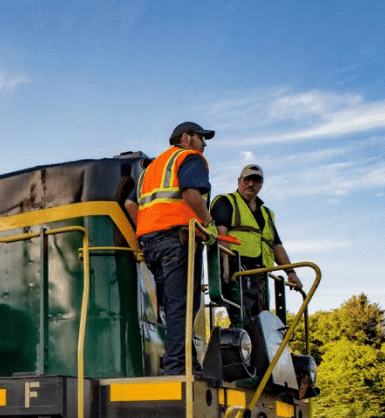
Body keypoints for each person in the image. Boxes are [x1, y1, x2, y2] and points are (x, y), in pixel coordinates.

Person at [125, 122, 223, 375]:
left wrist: (145, 231)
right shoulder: (190, 158)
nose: (204, 145)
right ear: (186, 139)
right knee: (182, 304)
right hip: (177, 240)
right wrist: (209, 224)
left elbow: (130, 205)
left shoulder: (151, 168)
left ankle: (185, 362)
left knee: (171, 306)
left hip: (152, 243)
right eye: (202, 139)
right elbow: (191, 193)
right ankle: (178, 366)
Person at [210, 164, 303, 326]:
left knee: (260, 321)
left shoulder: (266, 213)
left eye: (256, 181)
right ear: (239, 181)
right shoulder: (226, 201)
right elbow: (221, 232)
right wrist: (224, 262)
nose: (251, 184)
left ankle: (257, 348)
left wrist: (291, 272)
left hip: (261, 274)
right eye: (247, 180)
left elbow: (276, 245)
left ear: (261, 185)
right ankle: (239, 346)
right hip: (237, 269)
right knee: (242, 317)